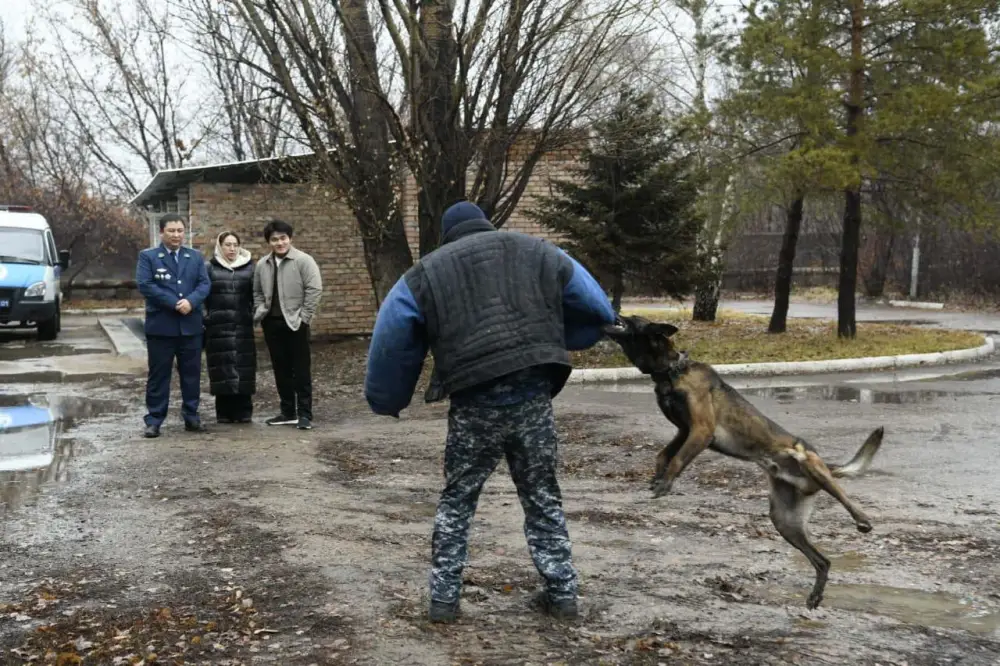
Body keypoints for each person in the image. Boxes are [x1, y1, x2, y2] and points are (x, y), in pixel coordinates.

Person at [364, 201, 615, 624]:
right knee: (541, 496)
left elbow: (392, 338)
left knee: (458, 500)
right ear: (487, 224)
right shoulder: (541, 251)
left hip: (473, 403)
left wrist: (386, 399)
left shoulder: (424, 274)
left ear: (447, 235)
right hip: (533, 396)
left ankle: (444, 601)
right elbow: (597, 307)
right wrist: (566, 336)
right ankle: (563, 594)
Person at [135, 213, 212, 438]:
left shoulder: (194, 257)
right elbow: (145, 285)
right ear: (162, 232)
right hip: (161, 327)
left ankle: (191, 417)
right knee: (159, 375)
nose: (176, 235)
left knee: (192, 374)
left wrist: (191, 301)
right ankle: (154, 420)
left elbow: (204, 284)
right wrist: (174, 303)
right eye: (171, 231)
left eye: (180, 231)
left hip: (190, 327)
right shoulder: (149, 257)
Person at [252, 219, 323, 430]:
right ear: (269, 242)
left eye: (283, 238)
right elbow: (257, 291)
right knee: (280, 369)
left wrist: (304, 317)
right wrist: (261, 310)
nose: (280, 243)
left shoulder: (303, 260)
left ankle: (305, 414)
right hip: (271, 323)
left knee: (301, 370)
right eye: (275, 239)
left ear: (290, 238)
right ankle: (288, 412)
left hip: (296, 323)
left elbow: (314, 289)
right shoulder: (263, 264)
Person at [204, 231, 257, 423]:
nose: (232, 249)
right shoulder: (209, 268)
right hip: (217, 327)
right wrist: (207, 317)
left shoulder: (250, 268)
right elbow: (202, 296)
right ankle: (224, 411)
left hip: (243, 326)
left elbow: (256, 295)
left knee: (244, 366)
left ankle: (244, 411)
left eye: (235, 245)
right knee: (221, 368)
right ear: (220, 246)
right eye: (227, 244)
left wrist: (253, 314)